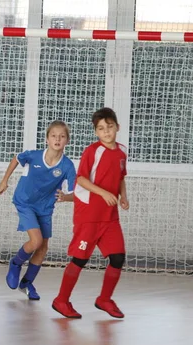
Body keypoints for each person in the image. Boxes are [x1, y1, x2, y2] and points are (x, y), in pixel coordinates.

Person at [52, 107, 129, 319]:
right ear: (96, 132)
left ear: (117, 128)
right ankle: (61, 300)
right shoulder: (92, 151)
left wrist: (123, 196)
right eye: (101, 129)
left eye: (110, 127)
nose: (106, 132)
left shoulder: (122, 151)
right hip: (89, 215)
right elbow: (82, 180)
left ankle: (104, 299)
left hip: (110, 217)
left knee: (117, 257)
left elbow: (121, 177)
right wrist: (103, 193)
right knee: (80, 259)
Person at [0, 120, 76, 300]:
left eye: (62, 136)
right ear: (47, 139)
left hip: (45, 207)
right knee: (36, 241)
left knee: (43, 248)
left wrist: (65, 197)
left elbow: (74, 193)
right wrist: (4, 180)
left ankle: (26, 283)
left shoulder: (67, 166)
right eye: (54, 135)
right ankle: (15, 263)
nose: (57, 139)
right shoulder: (34, 156)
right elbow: (17, 158)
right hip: (24, 201)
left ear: (67, 141)